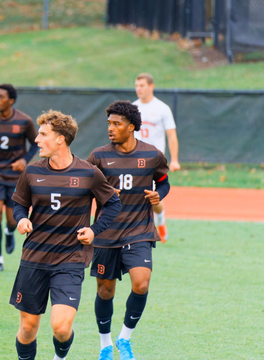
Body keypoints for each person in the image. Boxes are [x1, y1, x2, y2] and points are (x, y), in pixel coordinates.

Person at [10, 110, 121, 360]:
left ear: (60, 139)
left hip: (70, 260)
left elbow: (113, 203)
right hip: (34, 258)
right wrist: (22, 218)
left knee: (61, 328)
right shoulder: (31, 171)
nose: (36, 140)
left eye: (43, 135)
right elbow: (19, 204)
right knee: (28, 329)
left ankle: (59, 358)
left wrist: (94, 230)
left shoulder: (88, 173)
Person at [87, 100, 170, 360]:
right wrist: (103, 195)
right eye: (109, 123)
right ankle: (105, 345)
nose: (110, 128)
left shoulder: (152, 155)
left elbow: (164, 183)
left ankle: (125, 339)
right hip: (105, 234)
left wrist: (159, 196)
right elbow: (84, 191)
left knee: (141, 284)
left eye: (116, 124)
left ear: (131, 126)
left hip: (139, 230)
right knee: (105, 291)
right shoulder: (98, 156)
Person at [0, 84, 38, 272]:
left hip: (15, 175)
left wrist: (24, 160)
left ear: (11, 100)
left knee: (12, 220)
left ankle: (9, 231)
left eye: (1, 97)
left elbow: (35, 144)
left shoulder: (24, 121)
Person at [133, 73, 180, 242]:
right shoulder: (133, 108)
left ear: (151, 86)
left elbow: (172, 135)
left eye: (142, 85)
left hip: (154, 162)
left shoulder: (162, 108)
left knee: (153, 198)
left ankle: (159, 221)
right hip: (133, 160)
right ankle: (135, 232)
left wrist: (174, 159)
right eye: (137, 85)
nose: (139, 89)